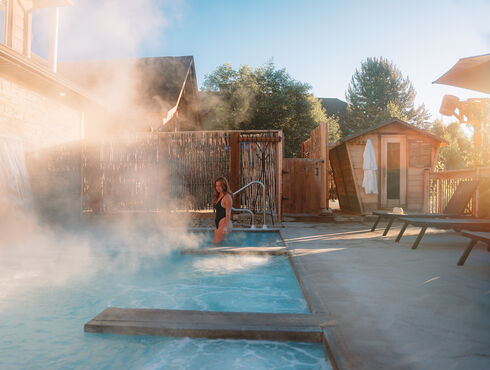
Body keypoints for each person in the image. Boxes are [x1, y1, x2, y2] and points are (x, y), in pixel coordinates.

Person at [213, 177, 233, 245]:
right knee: (219, 245)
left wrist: (224, 227)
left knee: (215, 245)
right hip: (219, 224)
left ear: (224, 186)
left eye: (220, 186)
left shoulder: (227, 197)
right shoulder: (219, 195)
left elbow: (228, 214)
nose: (217, 188)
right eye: (216, 186)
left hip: (224, 223)